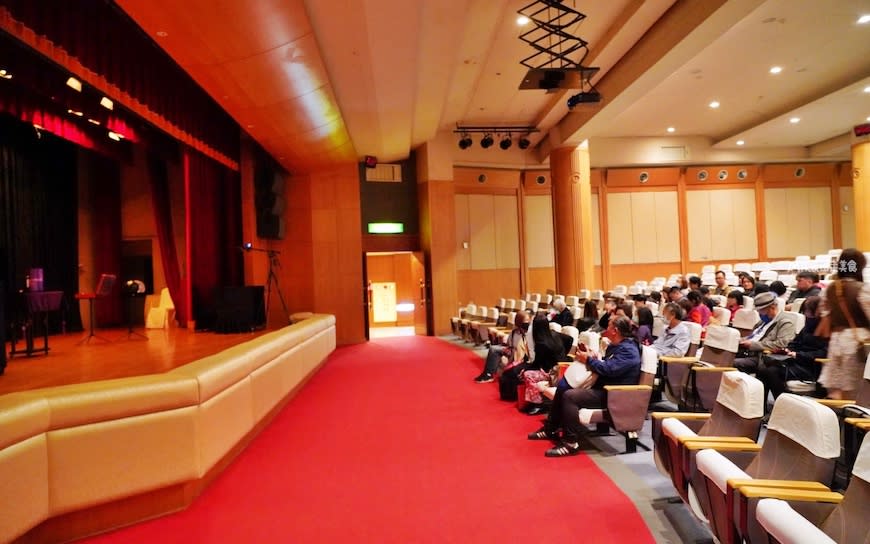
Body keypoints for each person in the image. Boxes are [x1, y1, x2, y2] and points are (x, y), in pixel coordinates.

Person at [527, 316, 641, 457]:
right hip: (604, 388)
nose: (606, 329)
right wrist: (593, 357)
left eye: (609, 326)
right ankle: (551, 428)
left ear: (615, 330)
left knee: (570, 396)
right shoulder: (616, 346)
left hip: (615, 394)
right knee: (564, 388)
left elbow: (609, 369)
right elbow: (607, 364)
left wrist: (588, 359)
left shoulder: (629, 351)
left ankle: (571, 443)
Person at [755, 296, 828, 406]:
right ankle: (761, 408)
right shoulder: (808, 326)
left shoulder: (827, 329)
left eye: (808, 311)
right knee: (762, 369)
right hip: (796, 361)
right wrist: (788, 350)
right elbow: (795, 342)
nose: (806, 315)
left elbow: (824, 353)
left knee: (770, 372)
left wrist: (798, 354)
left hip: (812, 367)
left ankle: (783, 406)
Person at [818, 249, 870, 400]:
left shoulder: (830, 289)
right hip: (857, 341)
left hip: (836, 340)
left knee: (837, 388)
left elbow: (824, 313)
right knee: (857, 389)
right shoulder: (862, 289)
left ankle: (839, 420)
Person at [733, 292, 796, 374]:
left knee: (730, 363)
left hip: (761, 357)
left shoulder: (786, 322)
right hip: (745, 352)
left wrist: (752, 345)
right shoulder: (763, 321)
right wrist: (740, 340)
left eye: (761, 310)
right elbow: (753, 336)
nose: (759, 313)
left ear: (772, 307)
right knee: (721, 357)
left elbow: (781, 344)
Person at [519, 315, 567, 415]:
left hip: (551, 372)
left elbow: (537, 363)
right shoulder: (554, 334)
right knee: (528, 372)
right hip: (560, 368)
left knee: (527, 375)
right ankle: (532, 402)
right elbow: (569, 339)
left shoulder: (541, 343)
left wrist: (524, 369)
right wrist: (563, 353)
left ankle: (538, 403)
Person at [474, 312, 530, 383]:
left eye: (528, 320)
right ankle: (488, 374)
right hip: (511, 351)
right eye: (525, 321)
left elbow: (525, 349)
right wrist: (508, 348)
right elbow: (510, 343)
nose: (527, 323)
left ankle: (490, 374)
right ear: (519, 321)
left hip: (520, 356)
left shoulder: (528, 334)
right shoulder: (514, 331)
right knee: (493, 349)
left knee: (495, 349)